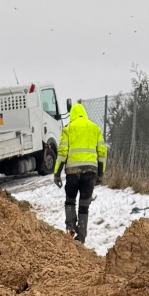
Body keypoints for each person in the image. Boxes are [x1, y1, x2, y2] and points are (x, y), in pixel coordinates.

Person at [53, 99, 107, 243]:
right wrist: (100, 174)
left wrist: (57, 173)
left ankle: (70, 227)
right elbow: (102, 152)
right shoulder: (95, 128)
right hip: (90, 172)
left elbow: (62, 152)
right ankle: (81, 236)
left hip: (72, 172)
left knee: (70, 200)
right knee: (84, 205)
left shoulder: (68, 129)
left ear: (72, 115)